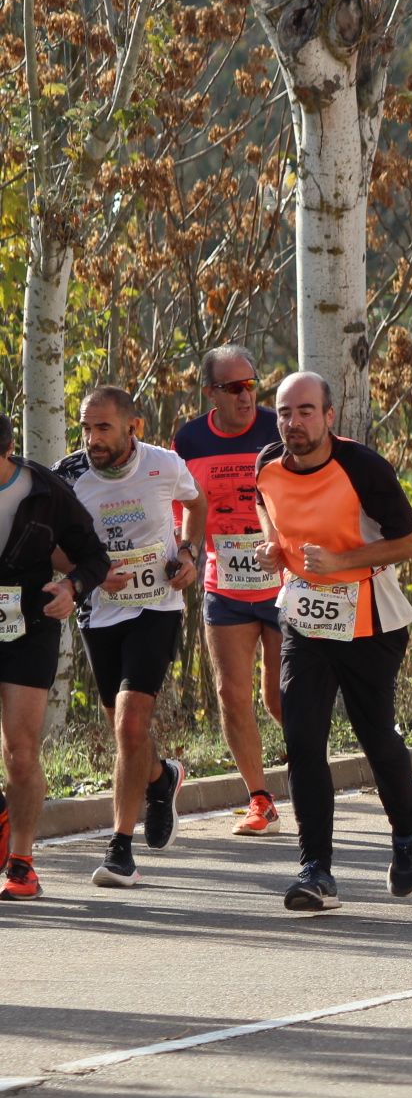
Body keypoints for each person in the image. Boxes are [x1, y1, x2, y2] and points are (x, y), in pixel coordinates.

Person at [254, 373, 412, 910]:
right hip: (305, 619)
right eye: (285, 412)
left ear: (329, 416)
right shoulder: (266, 465)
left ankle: (406, 830)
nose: (294, 423)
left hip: (370, 619)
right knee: (303, 739)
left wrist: (341, 562)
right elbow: (267, 509)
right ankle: (316, 871)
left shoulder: (363, 467)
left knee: (375, 736)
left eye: (306, 411)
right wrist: (270, 548)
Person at [56, 388, 204, 888]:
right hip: (100, 611)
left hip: (157, 604)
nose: (92, 439)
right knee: (124, 728)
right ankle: (161, 779)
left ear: (132, 427)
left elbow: (195, 501)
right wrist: (86, 572)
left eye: (103, 428)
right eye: (85, 428)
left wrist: (187, 553)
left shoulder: (163, 464)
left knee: (130, 722)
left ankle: (120, 848)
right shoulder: (70, 475)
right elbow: (52, 545)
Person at [173, 345, 285, 835]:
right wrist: (187, 552)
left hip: (284, 580)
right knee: (229, 692)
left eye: (252, 384)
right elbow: (182, 506)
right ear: (211, 393)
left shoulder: (277, 430)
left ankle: (311, 772)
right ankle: (259, 799)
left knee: (280, 698)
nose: (247, 395)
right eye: (235, 387)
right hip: (227, 581)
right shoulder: (191, 439)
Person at [0, 414, 111, 899]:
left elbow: (95, 557)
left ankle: (21, 862)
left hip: (30, 623)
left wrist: (72, 586)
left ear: (5, 451)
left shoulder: (44, 490)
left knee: (20, 754)